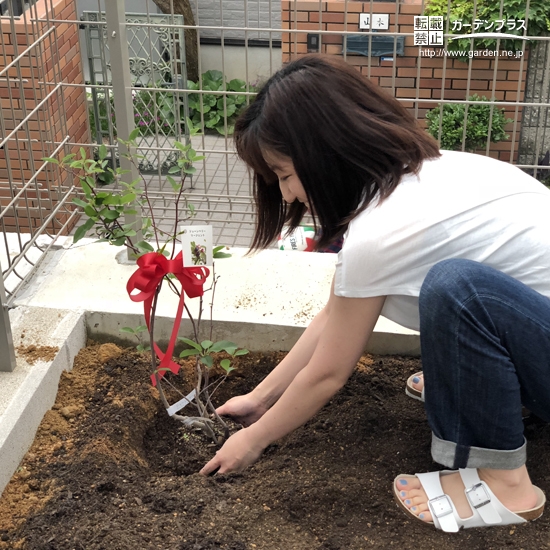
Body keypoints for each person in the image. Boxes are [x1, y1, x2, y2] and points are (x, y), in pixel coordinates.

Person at [200, 54, 549, 531]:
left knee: (458, 290)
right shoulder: (426, 173)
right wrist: (260, 398)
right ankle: (481, 390)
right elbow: (337, 314)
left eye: (284, 174)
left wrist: (254, 440)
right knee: (458, 291)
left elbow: (329, 372)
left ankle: (508, 486)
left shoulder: (383, 229)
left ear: (323, 155)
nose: (285, 196)